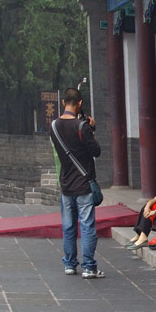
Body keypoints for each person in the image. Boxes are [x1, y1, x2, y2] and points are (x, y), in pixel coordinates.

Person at [49, 87, 105, 279]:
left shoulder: (54, 126)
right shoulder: (82, 127)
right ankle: (89, 267)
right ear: (80, 103)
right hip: (83, 183)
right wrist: (91, 129)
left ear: (64, 102)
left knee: (68, 226)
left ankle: (70, 264)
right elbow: (96, 151)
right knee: (87, 226)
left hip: (66, 183)